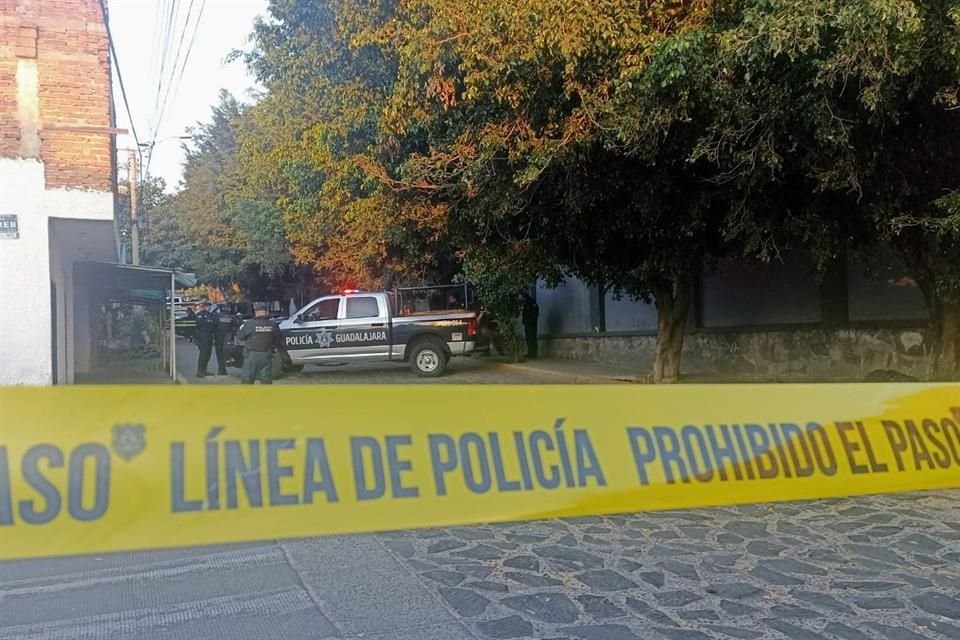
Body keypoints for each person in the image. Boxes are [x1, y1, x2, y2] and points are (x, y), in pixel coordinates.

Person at [236, 302, 282, 384]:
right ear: (266, 312)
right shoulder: (273, 325)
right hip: (266, 355)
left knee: (247, 381)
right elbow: (278, 340)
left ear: (256, 312)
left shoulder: (249, 324)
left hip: (251, 356)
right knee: (266, 382)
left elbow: (240, 336)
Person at [194, 298, 216, 377]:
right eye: (208, 306)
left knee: (207, 355)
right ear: (204, 306)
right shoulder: (200, 315)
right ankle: (200, 371)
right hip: (202, 338)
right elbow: (201, 325)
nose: (209, 307)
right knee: (203, 355)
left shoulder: (210, 315)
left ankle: (204, 370)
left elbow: (212, 325)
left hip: (208, 338)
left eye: (209, 306)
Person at [213, 304, 234, 376]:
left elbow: (213, 326)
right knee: (227, 354)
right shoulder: (232, 317)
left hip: (218, 338)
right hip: (228, 338)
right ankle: (223, 368)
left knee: (219, 354)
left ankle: (221, 370)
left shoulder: (217, 316)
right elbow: (235, 326)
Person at [521, 292, 540, 359]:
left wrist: (532, 321)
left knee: (532, 338)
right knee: (528, 338)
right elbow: (524, 313)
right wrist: (524, 321)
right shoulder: (526, 304)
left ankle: (534, 353)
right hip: (527, 324)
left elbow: (535, 312)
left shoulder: (532, 303)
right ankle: (530, 352)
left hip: (531, 324)